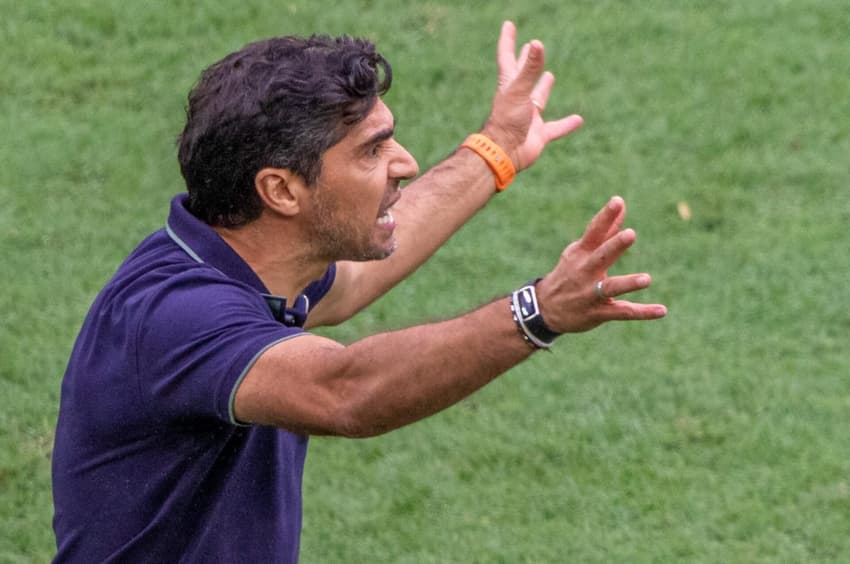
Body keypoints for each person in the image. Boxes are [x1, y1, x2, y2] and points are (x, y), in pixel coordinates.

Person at [51, 21, 666, 562]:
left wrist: (496, 149)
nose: (406, 163)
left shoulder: (246, 260)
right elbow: (345, 392)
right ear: (282, 191)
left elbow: (350, 285)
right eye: (372, 151)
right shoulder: (176, 316)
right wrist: (538, 312)